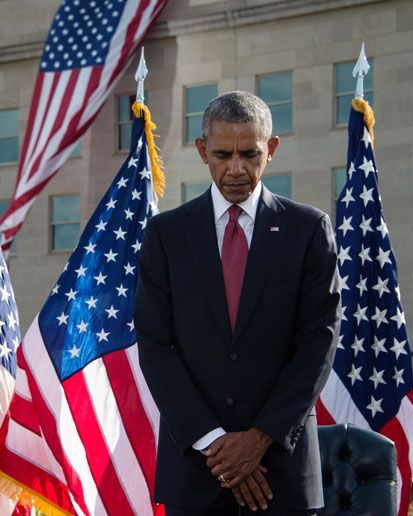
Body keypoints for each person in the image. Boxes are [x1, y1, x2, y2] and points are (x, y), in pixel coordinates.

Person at [134, 90, 341, 516]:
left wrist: (258, 438)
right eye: (222, 154)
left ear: (272, 148)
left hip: (281, 472)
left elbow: (318, 345)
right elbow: (155, 346)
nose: (236, 169)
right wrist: (217, 445)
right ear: (201, 151)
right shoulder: (165, 235)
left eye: (249, 153)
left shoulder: (309, 230)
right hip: (195, 471)